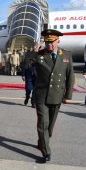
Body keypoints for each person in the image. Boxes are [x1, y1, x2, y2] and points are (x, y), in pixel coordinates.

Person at [33, 29, 74, 162]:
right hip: (41, 95)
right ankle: (46, 151)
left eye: (52, 42)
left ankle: (42, 141)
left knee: (50, 127)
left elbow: (70, 76)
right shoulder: (39, 54)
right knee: (43, 124)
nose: (49, 45)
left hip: (56, 95)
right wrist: (32, 52)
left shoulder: (66, 55)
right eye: (46, 42)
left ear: (58, 41)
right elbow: (24, 64)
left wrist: (68, 95)